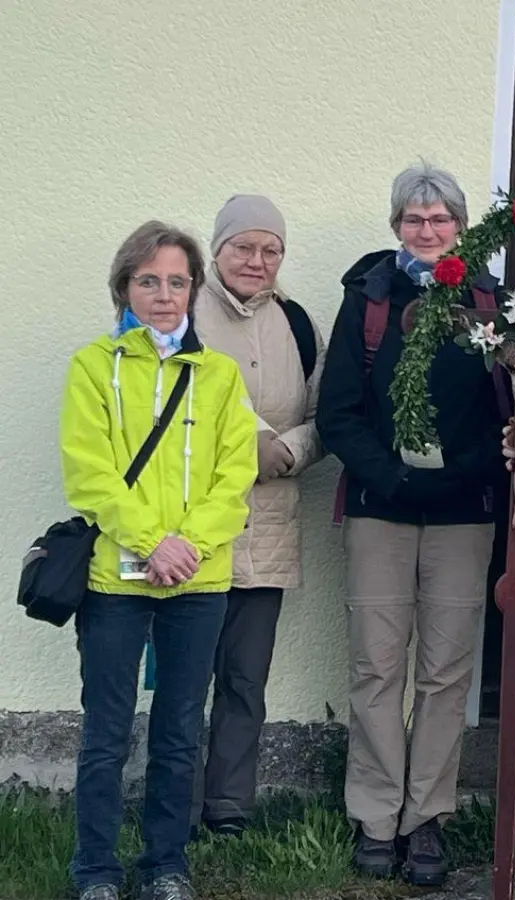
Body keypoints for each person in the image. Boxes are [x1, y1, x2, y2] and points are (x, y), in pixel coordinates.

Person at [317, 162, 507, 886]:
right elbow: (338, 411)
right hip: (381, 509)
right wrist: (392, 476)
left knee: (445, 673)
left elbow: (510, 406)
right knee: (375, 666)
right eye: (414, 219)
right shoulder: (369, 298)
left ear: (461, 227)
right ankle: (374, 815)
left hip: (464, 514)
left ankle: (425, 817)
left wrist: (466, 475)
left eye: (441, 219)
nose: (427, 231)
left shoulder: (491, 302)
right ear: (396, 225)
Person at [63, 221, 257, 900]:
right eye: (148, 281)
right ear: (124, 288)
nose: (164, 294)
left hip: (197, 581)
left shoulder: (221, 377)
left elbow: (234, 479)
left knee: (179, 730)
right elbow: (91, 476)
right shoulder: (94, 366)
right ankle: (96, 869)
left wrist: (188, 546)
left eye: (177, 281)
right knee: (107, 732)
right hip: (114, 581)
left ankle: (165, 865)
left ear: (194, 290)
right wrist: (152, 541)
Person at [189, 194, 325, 836]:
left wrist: (290, 451)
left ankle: (228, 811)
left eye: (271, 249)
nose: (257, 260)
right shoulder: (182, 312)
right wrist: (250, 446)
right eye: (243, 246)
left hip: (267, 531)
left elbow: (326, 418)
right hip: (190, 533)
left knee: (245, 680)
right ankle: (175, 805)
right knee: (186, 680)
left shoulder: (299, 323)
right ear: (216, 249)